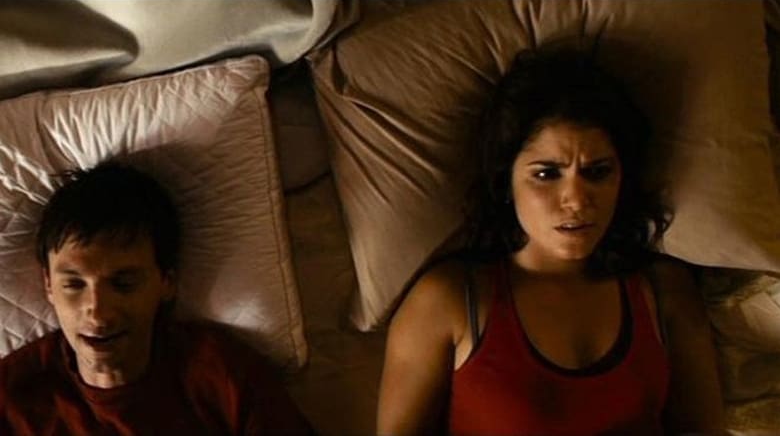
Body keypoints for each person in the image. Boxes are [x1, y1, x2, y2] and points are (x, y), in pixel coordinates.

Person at [377, 48, 725, 435]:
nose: (576, 199)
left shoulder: (663, 291)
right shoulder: (448, 301)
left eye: (597, 172)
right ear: (506, 181)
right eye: (546, 174)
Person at [0, 161, 312, 435]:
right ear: (48, 285)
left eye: (123, 284)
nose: (98, 313)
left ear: (167, 282)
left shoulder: (223, 375)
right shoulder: (11, 396)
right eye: (73, 285)